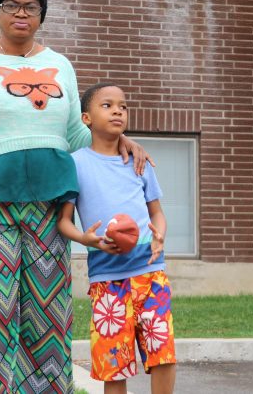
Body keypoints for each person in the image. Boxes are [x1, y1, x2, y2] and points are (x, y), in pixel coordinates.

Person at [0, 0, 150, 393]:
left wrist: (118, 138)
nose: (22, 13)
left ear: (41, 16)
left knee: (45, 317)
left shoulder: (60, 64)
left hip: (47, 210)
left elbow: (76, 135)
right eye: (12, 5)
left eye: (31, 7)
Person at [57, 82, 176, 394]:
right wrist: (87, 239)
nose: (117, 111)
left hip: (150, 273)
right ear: (86, 118)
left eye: (122, 106)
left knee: (163, 354)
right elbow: (64, 222)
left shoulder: (138, 162)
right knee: (114, 366)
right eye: (107, 105)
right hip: (107, 278)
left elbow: (157, 214)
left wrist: (159, 236)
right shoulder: (77, 163)